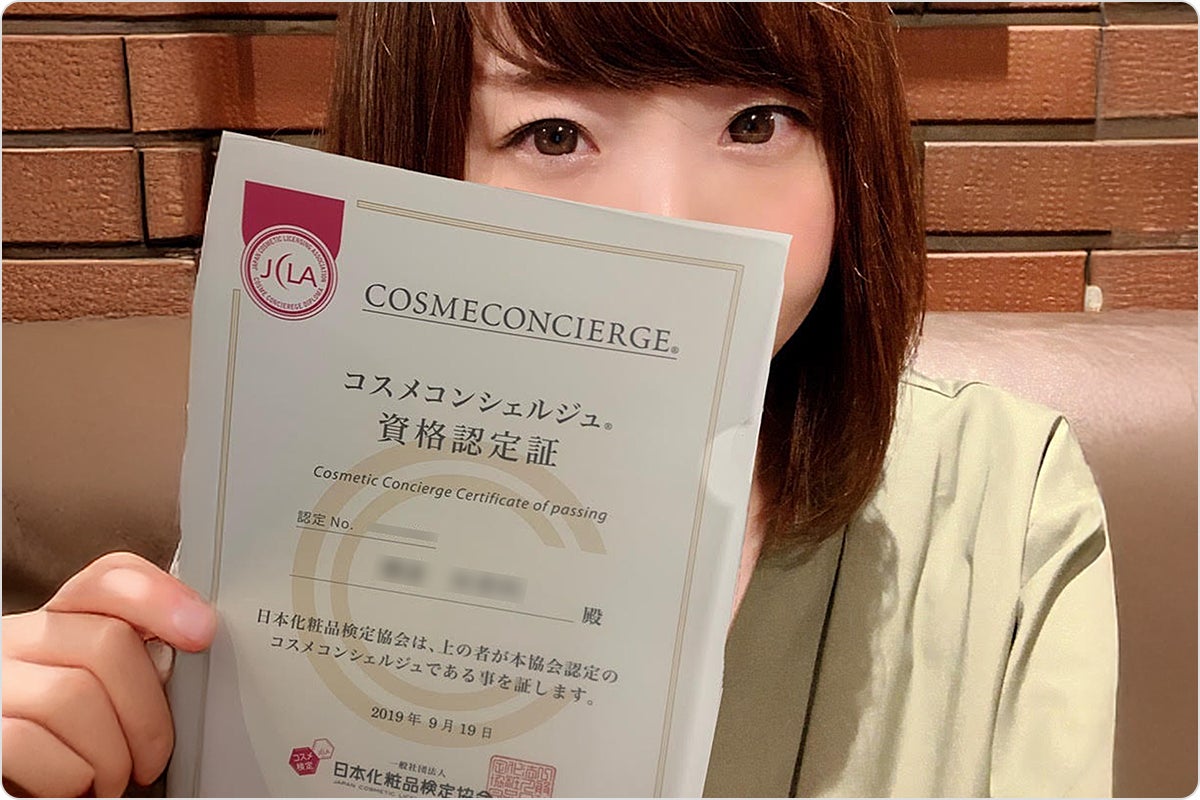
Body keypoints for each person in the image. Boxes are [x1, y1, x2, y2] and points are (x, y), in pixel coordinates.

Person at [1, 4, 1117, 797]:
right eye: (553, 135)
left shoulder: (1003, 505)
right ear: (422, 168)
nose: (670, 230)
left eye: (756, 122)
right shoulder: (304, 520)